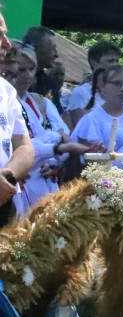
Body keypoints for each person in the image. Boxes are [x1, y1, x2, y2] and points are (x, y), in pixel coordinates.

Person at [6, 43, 98, 215]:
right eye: (20, 70)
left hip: (45, 180)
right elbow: (22, 147)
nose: (26, 76)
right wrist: (55, 143)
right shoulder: (7, 103)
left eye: (31, 69)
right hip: (20, 184)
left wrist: (53, 162)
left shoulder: (40, 101)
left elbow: (66, 137)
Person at [70, 65, 123, 177]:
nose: (122, 88)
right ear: (103, 87)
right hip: (107, 182)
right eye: (116, 83)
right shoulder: (91, 120)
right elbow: (92, 161)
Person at [0, 14, 35, 225]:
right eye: (0, 35)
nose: (7, 43)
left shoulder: (6, 91)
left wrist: (8, 175)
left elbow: (24, 146)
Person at [65, 40, 123, 126]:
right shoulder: (82, 93)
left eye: (117, 61)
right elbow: (83, 130)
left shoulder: (122, 92)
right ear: (94, 62)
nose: (116, 65)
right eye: (110, 61)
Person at [23, 26, 63, 113]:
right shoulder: (11, 81)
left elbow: (59, 113)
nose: (56, 55)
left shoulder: (48, 82)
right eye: (53, 49)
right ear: (35, 48)